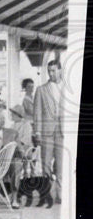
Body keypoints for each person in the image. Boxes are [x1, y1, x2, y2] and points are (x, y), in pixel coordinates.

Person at [32, 58, 64, 203]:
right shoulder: (41, 90)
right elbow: (37, 112)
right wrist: (37, 132)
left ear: (60, 70)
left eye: (53, 70)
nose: (51, 74)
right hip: (46, 132)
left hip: (63, 132)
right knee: (45, 164)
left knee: (61, 164)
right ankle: (46, 194)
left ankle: (60, 195)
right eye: (49, 71)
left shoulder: (68, 88)